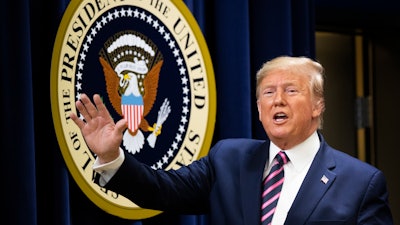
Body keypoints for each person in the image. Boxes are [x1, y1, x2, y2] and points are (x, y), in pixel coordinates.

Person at [70, 56, 393, 225]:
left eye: (291, 90)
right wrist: (113, 156)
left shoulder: (361, 183)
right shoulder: (228, 159)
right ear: (258, 108)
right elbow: (162, 191)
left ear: (318, 105)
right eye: (268, 92)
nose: (277, 100)